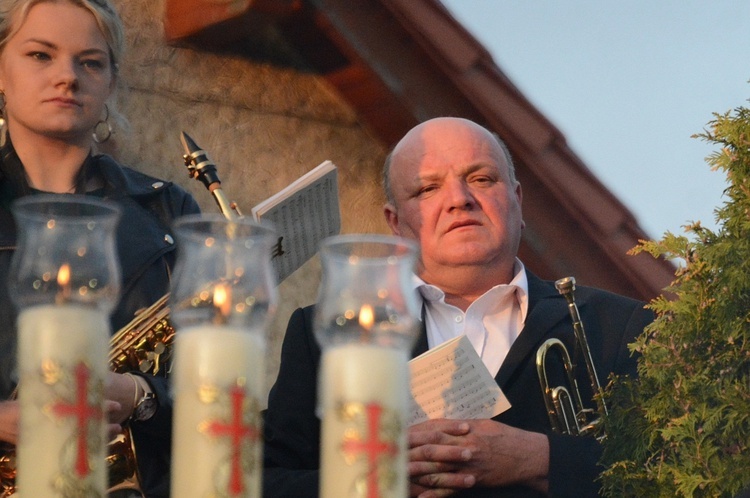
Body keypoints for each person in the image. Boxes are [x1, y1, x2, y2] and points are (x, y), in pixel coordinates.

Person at [262, 117, 654, 497]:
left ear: (517, 200)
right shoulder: (327, 334)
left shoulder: (621, 327)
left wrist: (539, 459)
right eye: (427, 189)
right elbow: (262, 483)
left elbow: (679, 469)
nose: (459, 200)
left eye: (481, 179)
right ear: (396, 222)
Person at [0, 1, 200, 497]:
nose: (67, 77)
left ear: (111, 82)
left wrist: (140, 395)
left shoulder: (169, 212)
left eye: (90, 61)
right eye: (40, 55)